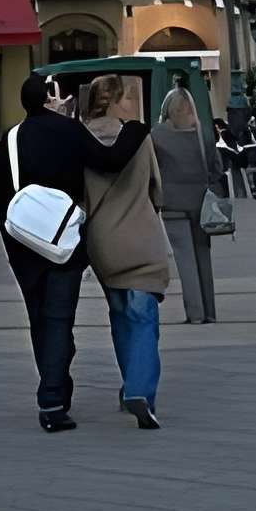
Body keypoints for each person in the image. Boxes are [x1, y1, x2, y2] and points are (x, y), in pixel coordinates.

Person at [0, 70, 150, 432]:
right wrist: (136, 129)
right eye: (60, 96)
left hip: (22, 242)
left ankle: (54, 387)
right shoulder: (69, 130)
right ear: (50, 98)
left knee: (39, 317)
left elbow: (1, 193)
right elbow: (109, 161)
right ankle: (52, 399)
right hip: (61, 241)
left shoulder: (11, 138)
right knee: (59, 317)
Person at [80, 74, 171, 429]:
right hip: (140, 236)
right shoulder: (137, 136)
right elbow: (156, 189)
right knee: (143, 317)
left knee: (120, 315)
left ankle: (128, 385)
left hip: (103, 241)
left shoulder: (82, 137)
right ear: (117, 102)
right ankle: (140, 390)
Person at [153, 86, 223, 323]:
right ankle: (210, 312)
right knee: (204, 257)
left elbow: (152, 171)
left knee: (185, 261)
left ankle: (194, 313)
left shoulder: (157, 136)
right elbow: (216, 169)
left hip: (173, 204)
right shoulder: (203, 134)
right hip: (202, 204)